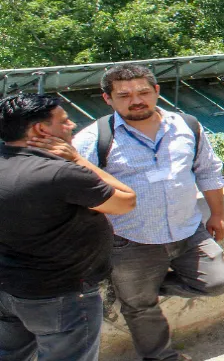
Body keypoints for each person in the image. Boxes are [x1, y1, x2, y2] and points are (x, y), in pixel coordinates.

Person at [72, 64, 224, 361]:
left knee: (214, 283)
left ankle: (139, 289)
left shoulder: (187, 125)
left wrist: (217, 214)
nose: (136, 100)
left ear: (156, 91)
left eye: (144, 91)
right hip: (129, 239)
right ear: (108, 99)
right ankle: (160, 356)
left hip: (188, 230)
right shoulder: (93, 139)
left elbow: (208, 170)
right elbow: (79, 190)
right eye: (124, 95)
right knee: (140, 308)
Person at [0, 93, 137, 361]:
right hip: (60, 295)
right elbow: (126, 201)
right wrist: (78, 160)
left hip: (7, 290)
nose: (72, 125)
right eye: (64, 121)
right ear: (41, 129)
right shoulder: (61, 172)